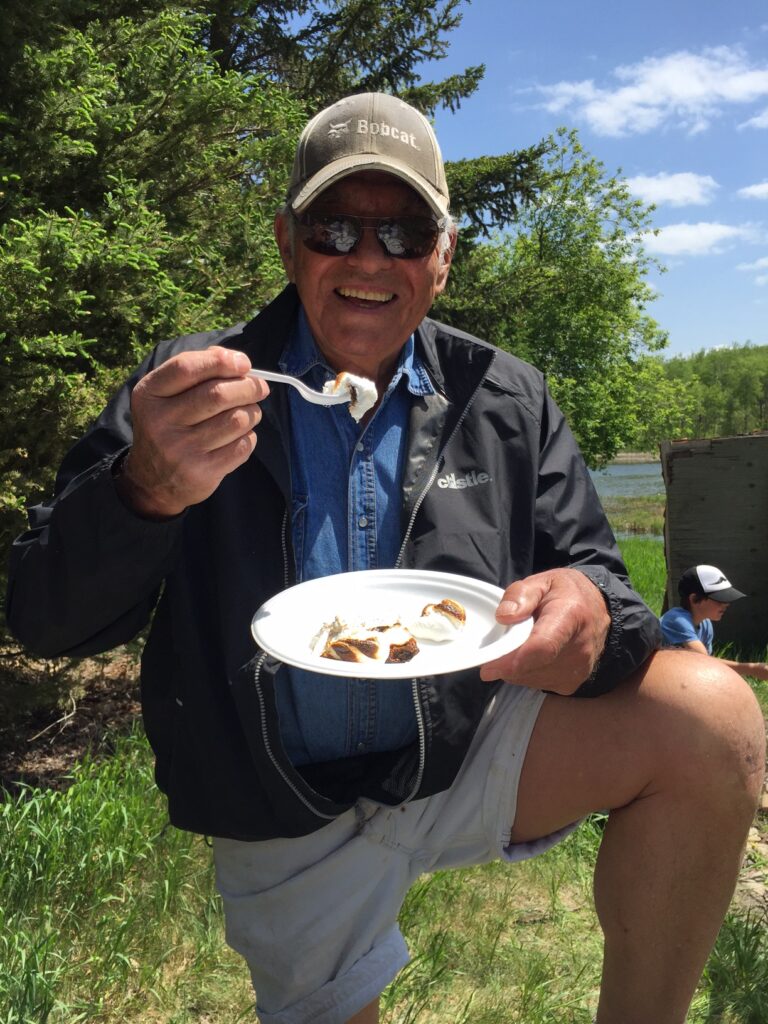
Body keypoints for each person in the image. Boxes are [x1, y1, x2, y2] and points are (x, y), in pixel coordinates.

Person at [5, 92, 765, 1024]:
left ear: (444, 257)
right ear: (288, 242)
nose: (371, 259)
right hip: (273, 798)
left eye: (406, 231)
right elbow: (43, 617)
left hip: (460, 757)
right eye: (337, 225)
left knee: (711, 711)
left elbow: (606, 583)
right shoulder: (189, 389)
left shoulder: (504, 396)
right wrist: (145, 490)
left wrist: (596, 619)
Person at [660, 564, 768, 681]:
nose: (726, 604)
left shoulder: (705, 624)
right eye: (720, 599)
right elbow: (706, 662)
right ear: (694, 599)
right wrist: (751, 669)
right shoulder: (676, 620)